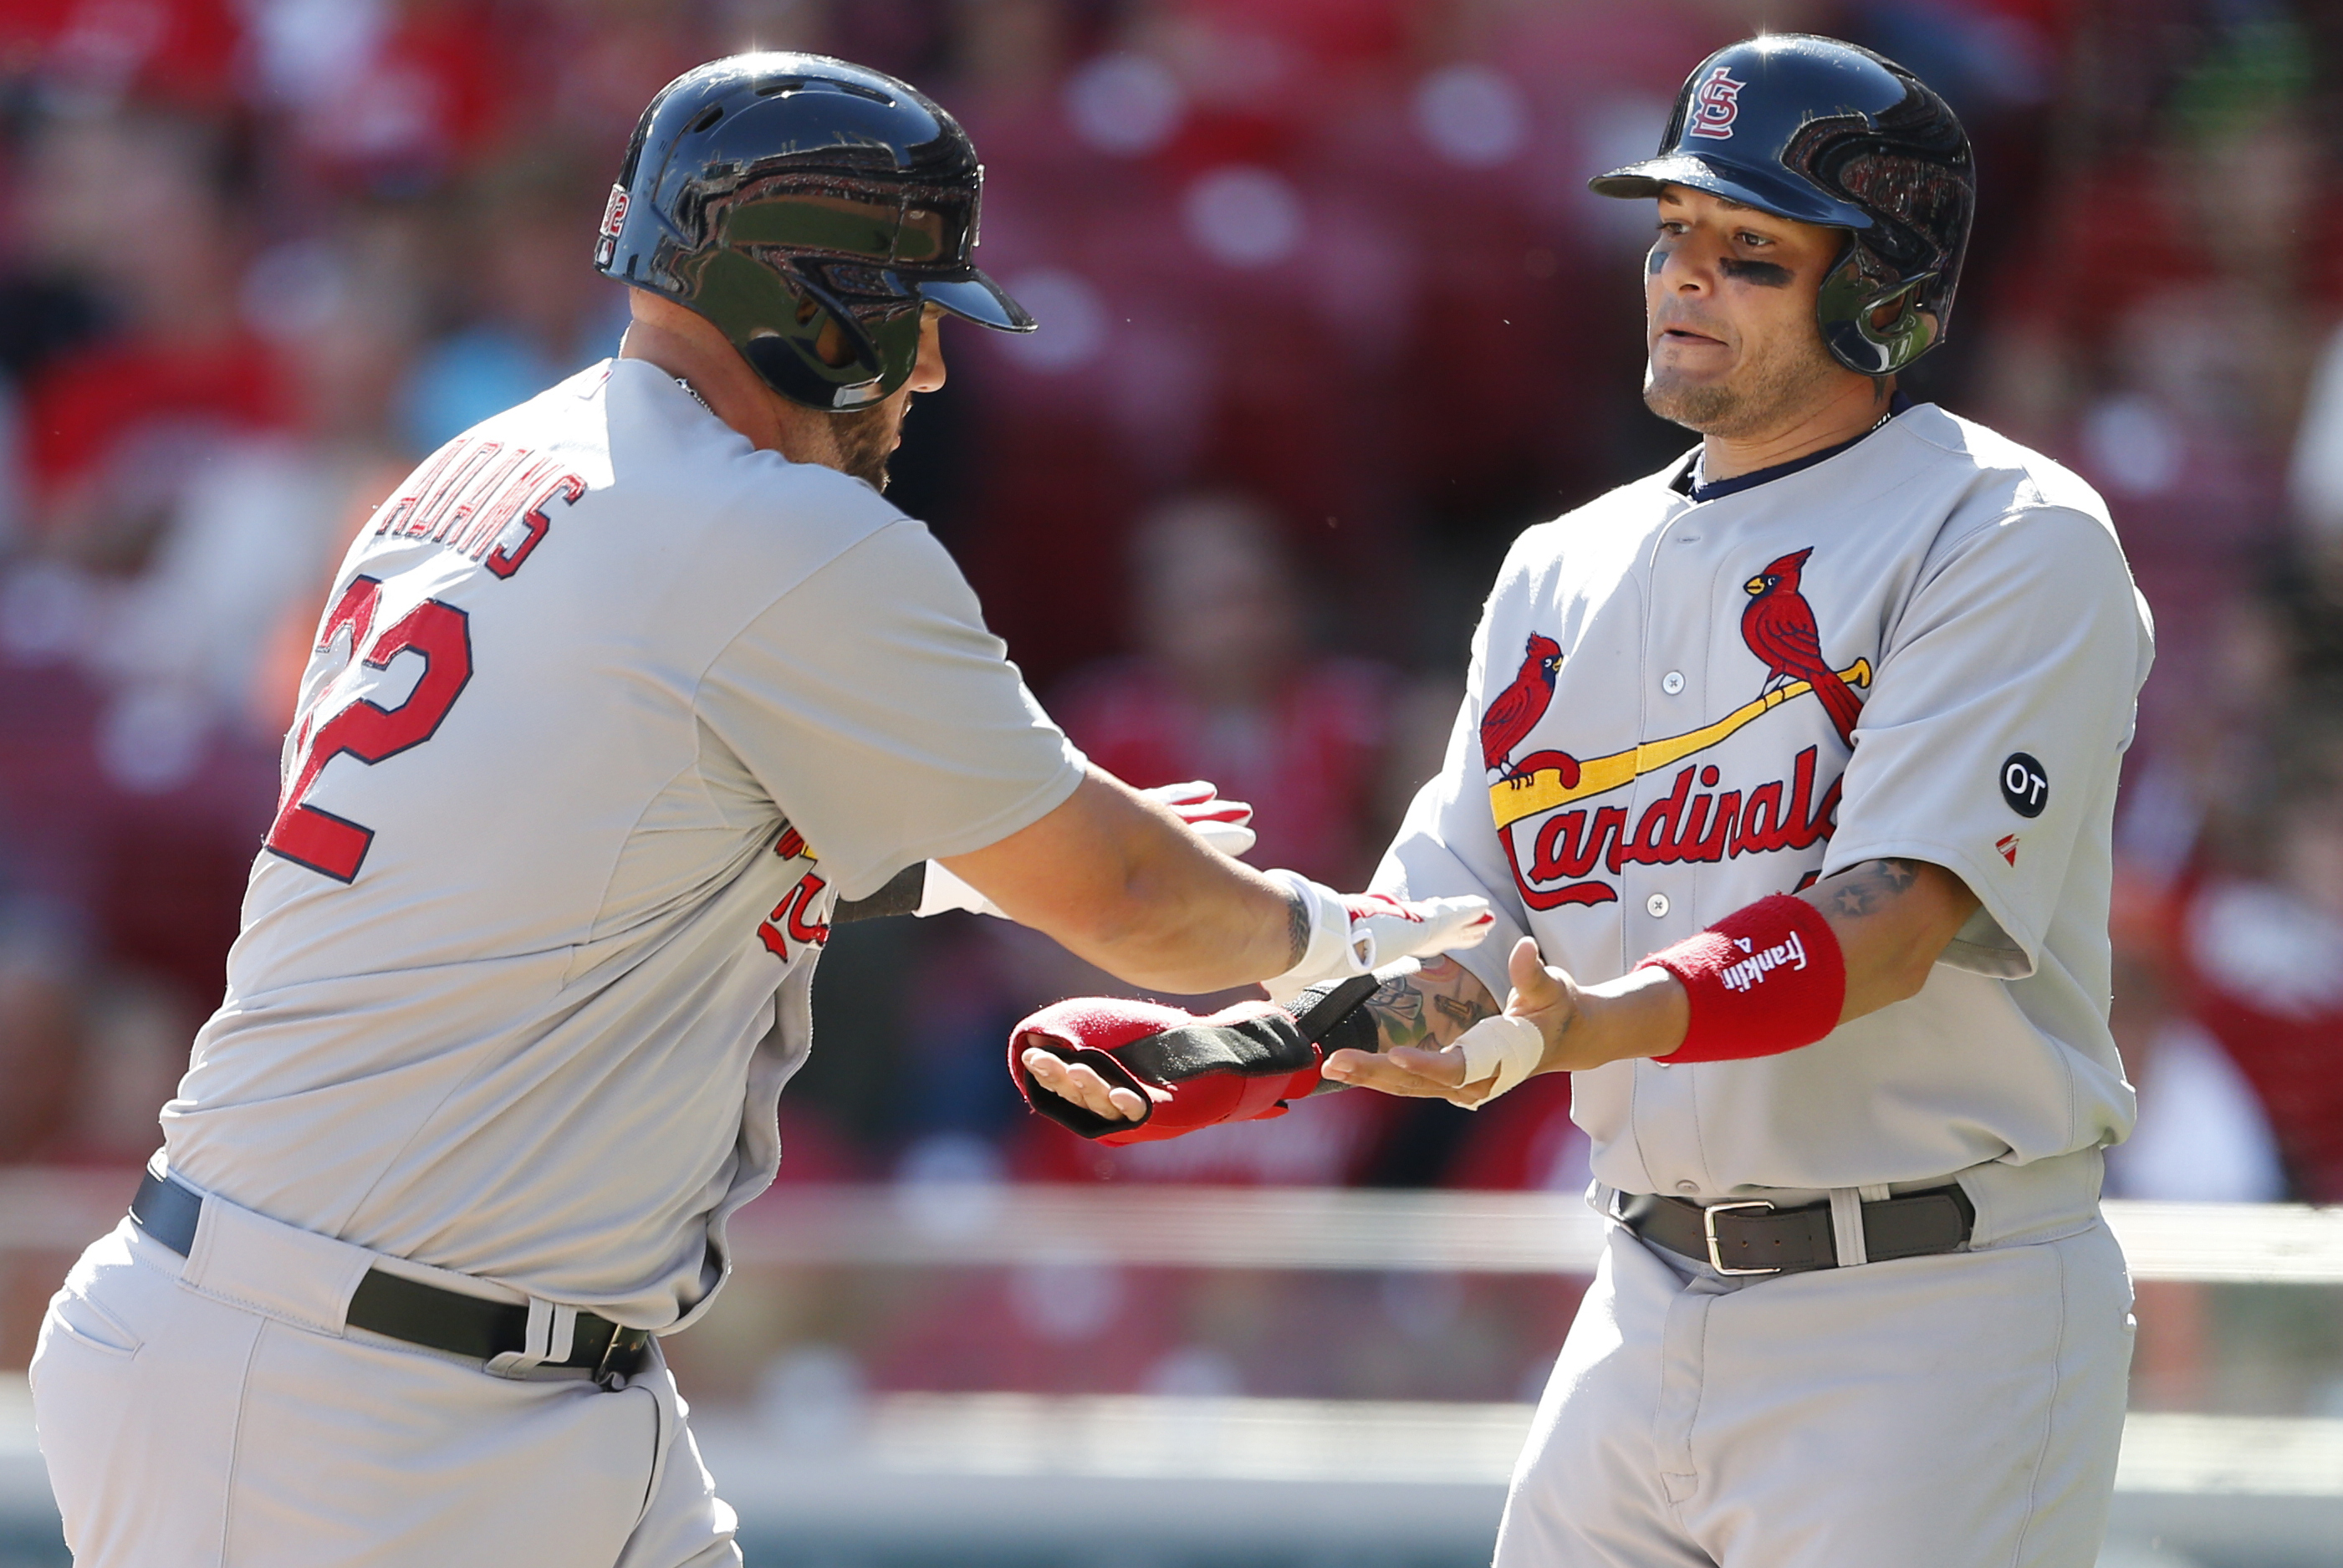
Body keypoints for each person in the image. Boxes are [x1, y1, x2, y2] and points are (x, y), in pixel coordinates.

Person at [28, 54, 1491, 1568]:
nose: (928, 368)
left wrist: (970, 869)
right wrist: (1343, 948)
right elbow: (1131, 902)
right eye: (916, 310)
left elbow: (615, 835)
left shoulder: (471, 470)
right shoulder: (781, 530)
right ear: (813, 302)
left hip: (419, 1363)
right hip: (352, 1408)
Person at [1016, 35, 2153, 1568]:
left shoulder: (2002, 530)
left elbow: (1890, 924)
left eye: (1747, 251)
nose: (1682, 277)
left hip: (1929, 1305)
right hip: (1635, 1297)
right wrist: (1252, 1048)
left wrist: (1589, 1025)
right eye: (1669, 233)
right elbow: (1454, 939)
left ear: (1879, 287)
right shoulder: (1560, 564)